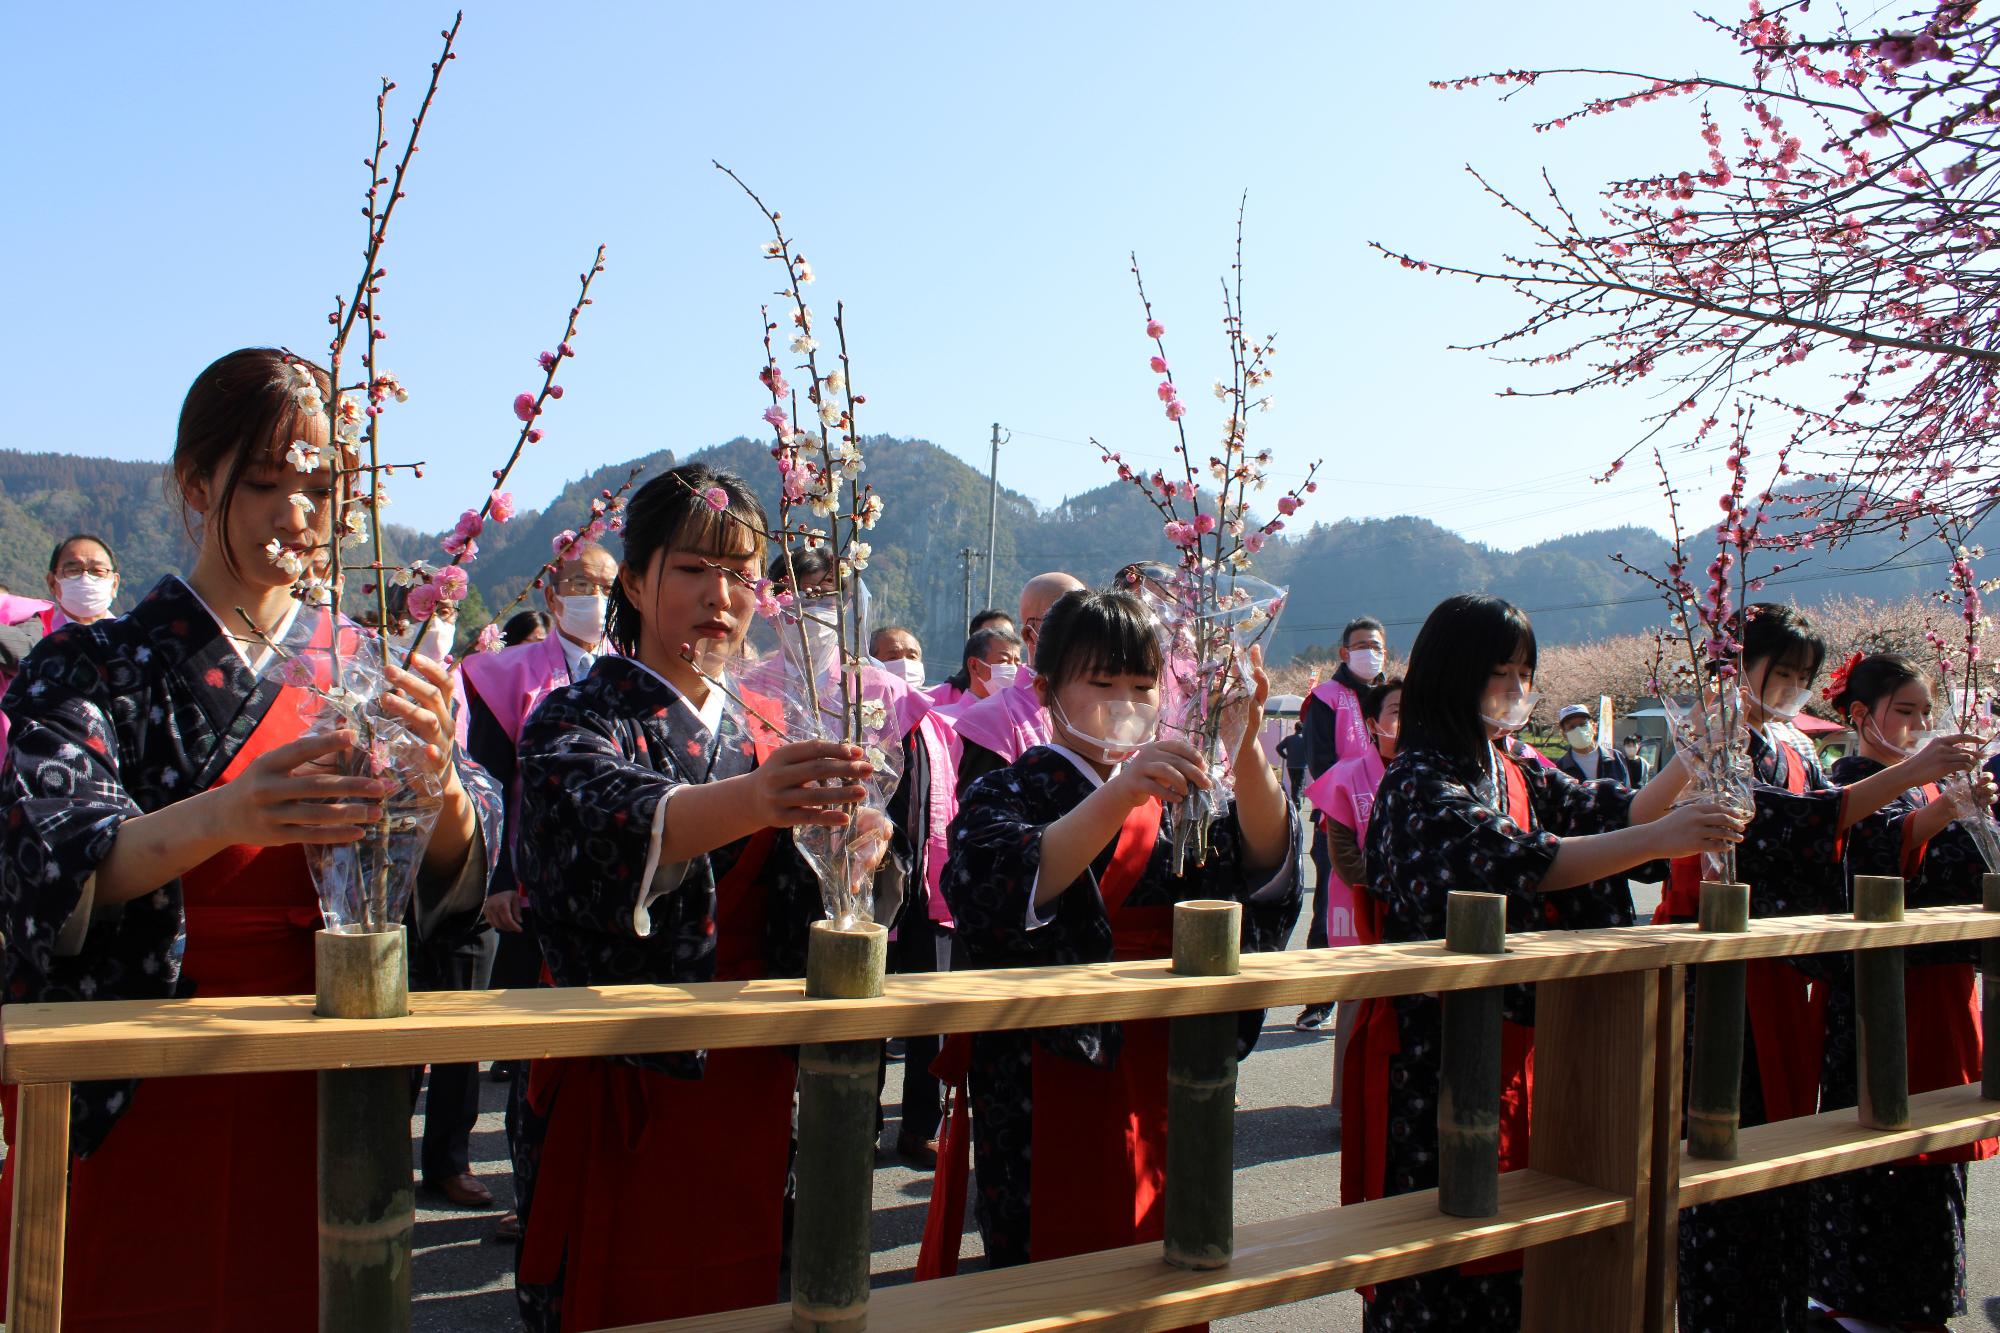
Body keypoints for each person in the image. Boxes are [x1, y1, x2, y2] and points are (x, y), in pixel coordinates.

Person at [0, 347, 501, 1330]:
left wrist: (439, 785)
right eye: (266, 484)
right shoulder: (92, 661)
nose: (297, 514)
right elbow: (45, 849)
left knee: (312, 1289)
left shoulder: (366, 662)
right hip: (147, 1054)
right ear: (198, 484)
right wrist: (227, 812)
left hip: (327, 1056)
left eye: (320, 488)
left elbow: (460, 860)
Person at [509, 464, 887, 1331]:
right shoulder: (575, 718)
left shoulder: (771, 727)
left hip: (751, 1072)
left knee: (750, 1295)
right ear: (635, 580)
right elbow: (616, 818)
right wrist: (759, 801)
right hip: (624, 1068)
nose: (721, 594)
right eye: (691, 568)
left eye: (743, 573)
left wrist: (855, 853)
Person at [1347, 593, 1745, 1332]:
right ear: (1454, 673)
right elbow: (1522, 858)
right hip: (1438, 1051)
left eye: (1525, 671)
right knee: (1446, 1262)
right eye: (1501, 670)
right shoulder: (1419, 776)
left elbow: (1609, 812)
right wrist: (1664, 838)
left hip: (1519, 1045)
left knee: (1524, 1254)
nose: (1516, 687)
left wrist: (1696, 755)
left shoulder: (1512, 763)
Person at [920, 587, 1300, 1279]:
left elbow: (1263, 869)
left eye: (1142, 685)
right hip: (1044, 1067)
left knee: (1171, 1260)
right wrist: (1120, 793)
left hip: (1168, 1062)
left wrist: (1243, 748)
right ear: (1045, 688)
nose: (1125, 702)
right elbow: (993, 887)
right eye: (1102, 683)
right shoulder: (1005, 791)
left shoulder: (1181, 797)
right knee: (1050, 1273)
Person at [1651, 604, 1977, 1333]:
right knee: (1724, 1164)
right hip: (1725, 970)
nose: (1794, 686)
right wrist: (1920, 780)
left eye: (1804, 674)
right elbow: (1793, 830)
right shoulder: (1723, 742)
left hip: (1786, 968)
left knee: (1782, 1169)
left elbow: (1822, 839)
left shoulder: (1793, 747)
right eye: (1783, 671)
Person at [1812, 652, 1996, 1328]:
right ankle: (1862, 1302)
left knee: (1937, 1155)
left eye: (1925, 711)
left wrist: (1966, 814)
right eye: (1904, 711)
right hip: (1886, 992)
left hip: (1942, 988)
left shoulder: (1923, 786)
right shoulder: (1852, 780)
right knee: (1883, 1146)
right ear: (1861, 717)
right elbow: (1868, 858)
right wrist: (1944, 806)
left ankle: (1924, 1299)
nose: (1918, 724)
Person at [1306, 677, 1401, 1135]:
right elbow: (1342, 855)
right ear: (1372, 723)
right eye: (1397, 712)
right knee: (1356, 1004)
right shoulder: (1347, 776)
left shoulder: (1432, 774)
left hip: (1409, 916)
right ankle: (1345, 1106)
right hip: (1361, 909)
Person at [1296, 615, 1387, 1030]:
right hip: (1342, 819)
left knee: (1386, 906)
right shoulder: (1326, 697)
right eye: (1363, 645)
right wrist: (1355, 800)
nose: (1371, 652)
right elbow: (1320, 761)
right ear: (1345, 652)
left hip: (1390, 821)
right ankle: (1320, 998)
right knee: (1332, 906)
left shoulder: (1394, 697)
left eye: (1378, 645)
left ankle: (1380, 997)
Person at [950, 572, 1085, 793]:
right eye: (1069, 621)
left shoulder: (1095, 705)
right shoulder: (990, 719)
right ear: (1029, 633)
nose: (1083, 634)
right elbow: (983, 821)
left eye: (1088, 621)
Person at [43, 533, 121, 630]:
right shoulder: (36, 639)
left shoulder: (133, 640)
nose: (85, 579)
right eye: (73, 570)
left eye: (97, 570)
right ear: (51, 582)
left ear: (115, 584)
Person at [1554, 704, 1632, 784]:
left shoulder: (1615, 757)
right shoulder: (1560, 768)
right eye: (1572, 727)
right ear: (1564, 735)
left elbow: (1628, 792)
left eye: (1582, 724)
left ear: (1594, 728)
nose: (1579, 730)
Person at [871, 624, 925, 689]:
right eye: (892, 657)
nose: (905, 664)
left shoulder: (936, 698)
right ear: (871, 663)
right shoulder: (859, 698)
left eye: (912, 657)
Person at [1276, 720, 1307, 801]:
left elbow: (1278, 748)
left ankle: (1294, 800)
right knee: (1299, 785)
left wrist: (1285, 756)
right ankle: (1296, 802)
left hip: (1290, 765)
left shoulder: (1288, 738)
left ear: (1295, 728)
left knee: (1294, 784)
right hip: (1301, 765)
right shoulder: (1305, 739)